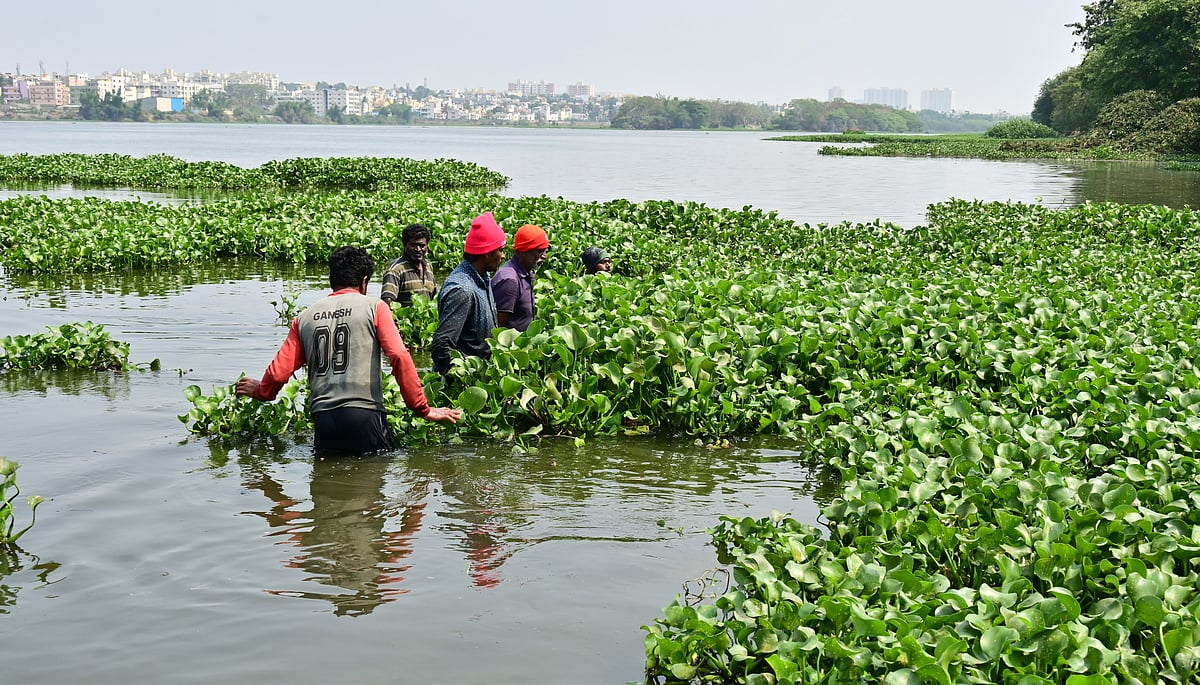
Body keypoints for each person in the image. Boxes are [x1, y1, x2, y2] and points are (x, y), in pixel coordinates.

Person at [236, 245, 461, 455]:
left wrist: (261, 391)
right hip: (364, 416)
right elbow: (399, 356)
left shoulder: (304, 318)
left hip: (323, 421)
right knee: (375, 476)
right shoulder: (375, 308)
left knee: (328, 489)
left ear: (331, 280)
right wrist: (423, 409)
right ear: (364, 282)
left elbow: (277, 374)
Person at [431, 212, 507, 375]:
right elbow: (441, 347)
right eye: (501, 250)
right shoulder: (462, 289)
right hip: (467, 385)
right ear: (487, 253)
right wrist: (461, 382)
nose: (503, 255)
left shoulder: (482, 276)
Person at [491, 224, 549, 331]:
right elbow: (497, 327)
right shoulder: (510, 280)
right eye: (539, 251)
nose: (544, 256)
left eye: (546, 250)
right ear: (524, 250)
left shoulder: (526, 271)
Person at [380, 223, 438, 306]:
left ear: (427, 246)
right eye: (413, 245)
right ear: (405, 244)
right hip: (404, 319)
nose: (418, 249)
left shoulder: (428, 266)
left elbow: (434, 298)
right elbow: (387, 302)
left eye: (422, 246)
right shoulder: (395, 270)